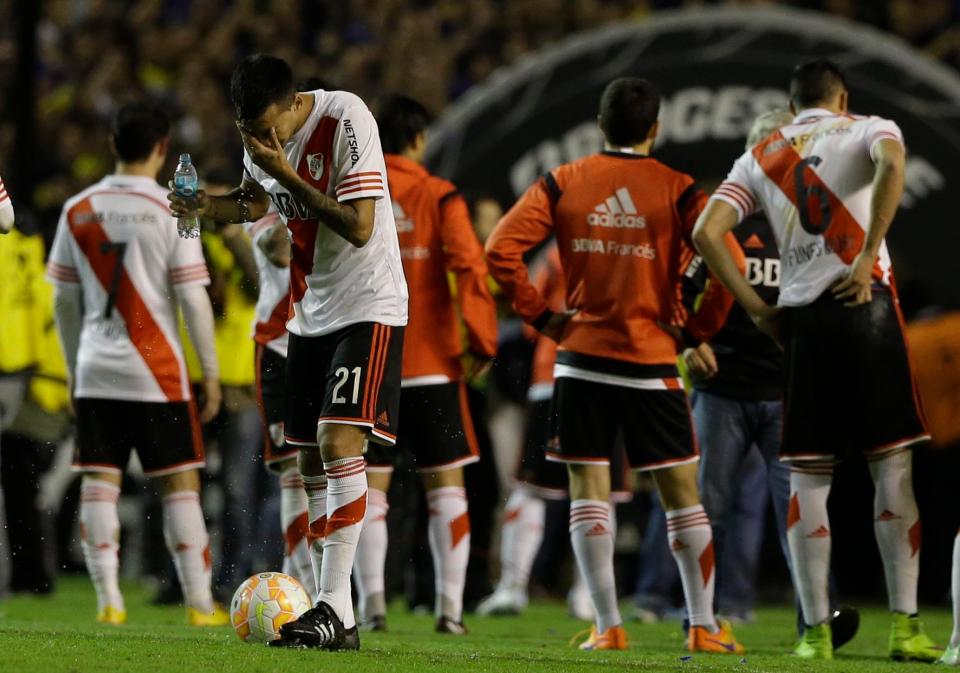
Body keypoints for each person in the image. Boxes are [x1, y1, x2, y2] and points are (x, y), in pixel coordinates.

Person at [485, 77, 746, 654]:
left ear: (601, 126)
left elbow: (499, 249)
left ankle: (607, 626)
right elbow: (729, 259)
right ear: (655, 129)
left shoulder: (565, 180)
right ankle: (702, 624)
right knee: (683, 493)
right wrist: (699, 329)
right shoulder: (680, 191)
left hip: (579, 361)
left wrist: (543, 318)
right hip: (652, 361)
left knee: (588, 491)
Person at [693, 59, 937, 662]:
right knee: (891, 467)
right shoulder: (868, 128)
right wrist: (867, 254)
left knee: (809, 476)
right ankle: (905, 628)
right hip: (866, 306)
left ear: (791, 99)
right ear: (841, 95)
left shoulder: (761, 156)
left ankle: (815, 635)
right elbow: (893, 165)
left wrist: (755, 309)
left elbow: (706, 231)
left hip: (801, 320)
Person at [168, 54, 408, 651]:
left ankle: (334, 606)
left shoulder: (345, 115)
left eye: (269, 126)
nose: (259, 138)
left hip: (368, 304)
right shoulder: (260, 141)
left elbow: (357, 224)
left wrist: (288, 172)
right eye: (249, 129)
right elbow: (255, 201)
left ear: (295, 101)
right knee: (305, 464)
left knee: (338, 441)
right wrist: (207, 208)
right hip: (311, 315)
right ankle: (331, 611)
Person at [47, 102, 226, 626]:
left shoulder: (78, 208)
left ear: (112, 144)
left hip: (96, 365)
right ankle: (198, 603)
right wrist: (209, 371)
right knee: (180, 484)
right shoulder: (178, 208)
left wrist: (75, 367)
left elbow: (62, 299)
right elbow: (194, 299)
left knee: (98, 481)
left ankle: (109, 601)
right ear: (163, 147)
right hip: (157, 369)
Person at [355, 94, 498, 634]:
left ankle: (372, 607)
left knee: (372, 492)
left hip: (373, 363)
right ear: (418, 139)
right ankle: (450, 610)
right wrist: (482, 341)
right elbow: (469, 267)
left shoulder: (357, 191)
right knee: (447, 491)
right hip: (434, 367)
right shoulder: (440, 197)